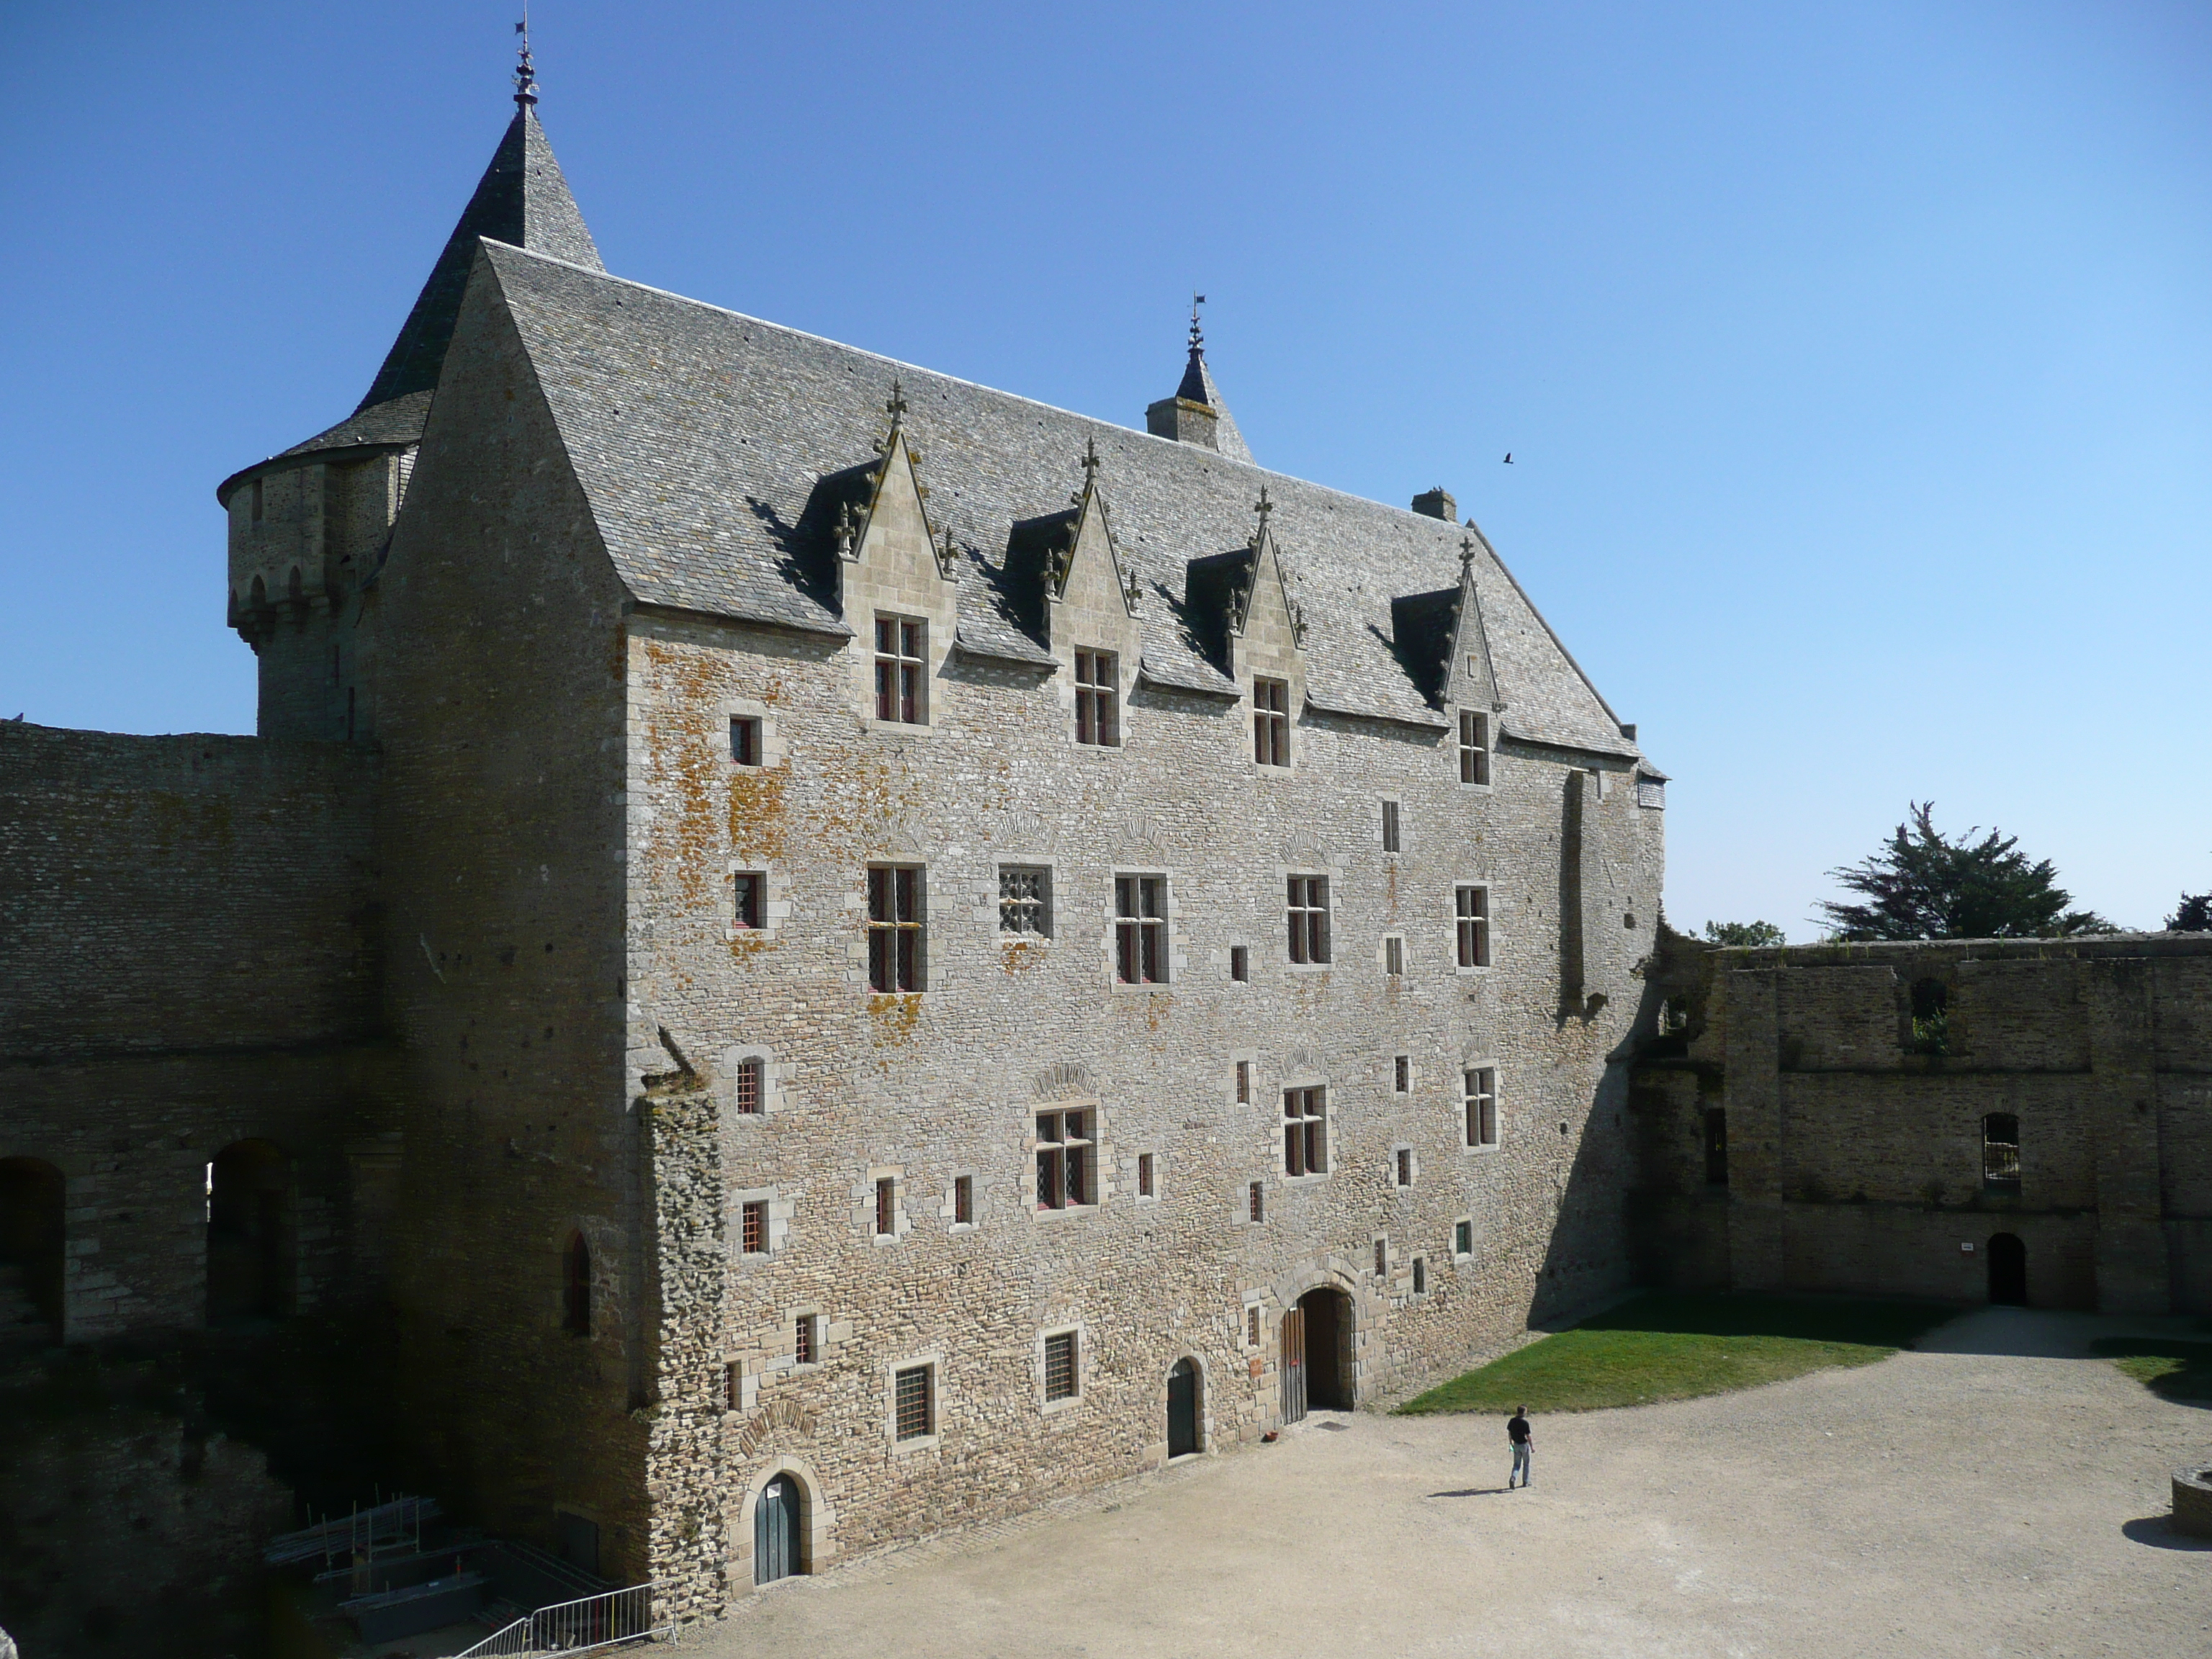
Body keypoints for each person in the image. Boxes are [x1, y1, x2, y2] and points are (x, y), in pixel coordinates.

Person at [1506, 1406, 1534, 1489]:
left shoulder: (1512, 1421)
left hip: (1516, 1445)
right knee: (1526, 1464)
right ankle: (1526, 1481)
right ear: (1523, 1412)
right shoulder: (1525, 1423)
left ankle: (1513, 1477)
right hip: (1524, 1445)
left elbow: (1510, 1434)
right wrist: (1532, 1447)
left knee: (1516, 1464)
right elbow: (1528, 1436)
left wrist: (1511, 1444)